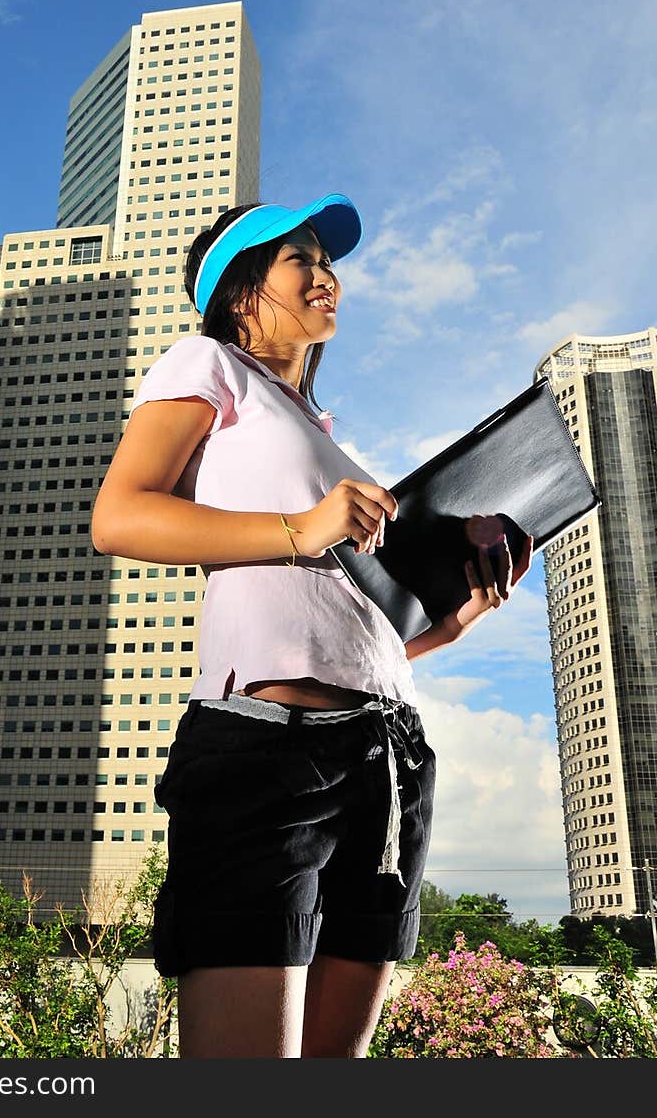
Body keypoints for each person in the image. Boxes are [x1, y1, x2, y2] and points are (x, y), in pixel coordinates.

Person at [91, 194, 533, 1059]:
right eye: (302, 259)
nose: (327, 274)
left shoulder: (326, 438)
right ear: (240, 289)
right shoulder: (207, 365)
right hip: (266, 754)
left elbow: (354, 631)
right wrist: (302, 528)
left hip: (390, 759)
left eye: (327, 262)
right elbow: (119, 514)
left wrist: (454, 620)